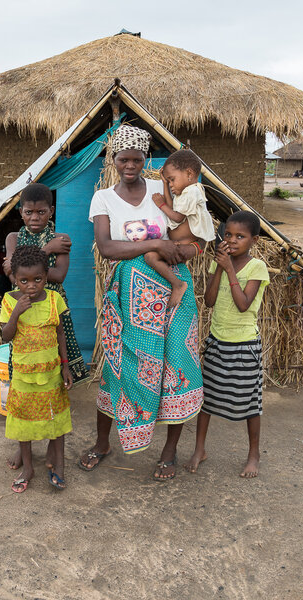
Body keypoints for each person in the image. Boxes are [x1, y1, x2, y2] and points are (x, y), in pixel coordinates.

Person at [82, 124, 211, 481]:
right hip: (129, 295)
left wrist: (187, 248)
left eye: (137, 159)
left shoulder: (161, 188)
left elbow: (188, 225)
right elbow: (107, 247)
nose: (130, 165)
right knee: (118, 367)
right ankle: (103, 443)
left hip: (173, 287)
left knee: (175, 367)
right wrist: (154, 246)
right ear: (114, 159)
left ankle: (169, 452)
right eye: (123, 158)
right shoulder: (103, 198)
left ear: (145, 159)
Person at [2, 183, 88, 473]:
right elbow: (11, 269)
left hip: (53, 307)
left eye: (41, 211)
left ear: (51, 211)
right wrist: (45, 250)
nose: (35, 217)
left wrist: (36, 261)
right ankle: (22, 442)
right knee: (23, 378)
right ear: (21, 213)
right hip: (23, 311)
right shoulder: (14, 236)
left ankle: (54, 441)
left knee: (55, 377)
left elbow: (59, 276)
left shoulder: (62, 237)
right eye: (29, 212)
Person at [184, 211, 269, 478]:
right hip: (217, 342)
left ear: (253, 240)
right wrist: (220, 267)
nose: (232, 241)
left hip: (244, 346)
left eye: (240, 236)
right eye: (228, 235)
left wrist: (229, 268)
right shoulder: (219, 263)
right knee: (206, 401)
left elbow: (244, 305)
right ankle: (200, 449)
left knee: (249, 405)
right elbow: (208, 301)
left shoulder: (257, 268)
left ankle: (253, 455)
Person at [0, 245, 74, 493]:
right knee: (23, 422)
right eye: (23, 280)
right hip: (23, 375)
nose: (31, 286)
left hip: (52, 373)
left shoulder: (54, 299)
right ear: (15, 278)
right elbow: (5, 337)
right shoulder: (10, 300)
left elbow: (61, 333)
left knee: (56, 420)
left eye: (38, 279)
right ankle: (28, 468)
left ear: (46, 276)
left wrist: (65, 366)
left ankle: (60, 466)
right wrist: (16, 314)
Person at [146, 149, 216, 308]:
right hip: (183, 244)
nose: (171, 184)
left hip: (191, 245)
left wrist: (161, 204)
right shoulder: (185, 192)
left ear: (189, 174)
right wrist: (164, 184)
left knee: (151, 257)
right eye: (168, 181)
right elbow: (173, 209)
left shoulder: (192, 191)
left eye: (172, 180)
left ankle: (177, 284)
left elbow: (177, 217)